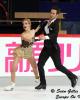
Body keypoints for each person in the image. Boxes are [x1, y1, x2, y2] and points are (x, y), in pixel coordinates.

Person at [35, 7, 78, 90]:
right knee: (40, 65)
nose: (51, 14)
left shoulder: (56, 23)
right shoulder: (46, 22)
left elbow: (54, 35)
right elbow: (40, 27)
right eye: (51, 13)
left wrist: (45, 37)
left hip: (54, 48)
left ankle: (73, 77)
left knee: (58, 66)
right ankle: (43, 84)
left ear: (57, 15)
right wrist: (35, 36)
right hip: (46, 47)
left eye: (54, 13)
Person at [4, 18, 40, 91]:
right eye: (23, 24)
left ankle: (37, 77)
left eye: (26, 23)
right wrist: (39, 38)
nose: (24, 25)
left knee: (35, 67)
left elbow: (36, 30)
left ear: (29, 24)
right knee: (13, 67)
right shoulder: (23, 34)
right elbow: (30, 39)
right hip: (21, 51)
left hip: (29, 51)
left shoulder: (33, 31)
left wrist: (41, 24)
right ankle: (12, 84)